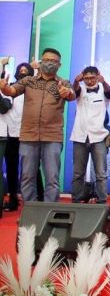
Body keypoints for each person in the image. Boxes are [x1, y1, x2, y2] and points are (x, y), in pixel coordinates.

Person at [0, 48, 75, 203]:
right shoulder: (28, 81)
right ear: (41, 62)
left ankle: (49, 211)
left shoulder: (63, 82)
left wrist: (67, 93)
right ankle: (30, 210)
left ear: (59, 65)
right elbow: (12, 91)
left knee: (52, 178)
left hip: (52, 137)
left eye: (53, 61)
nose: (49, 63)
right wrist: (4, 87)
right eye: (46, 60)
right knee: (27, 177)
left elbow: (71, 95)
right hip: (29, 135)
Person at [70, 66, 110, 204]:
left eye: (92, 78)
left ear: (97, 77)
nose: (89, 81)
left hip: (99, 137)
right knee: (78, 173)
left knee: (101, 173)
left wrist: (104, 82)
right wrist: (76, 81)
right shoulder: (80, 89)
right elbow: (73, 92)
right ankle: (76, 200)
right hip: (80, 136)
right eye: (86, 78)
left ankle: (102, 201)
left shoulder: (103, 89)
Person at [0, 62, 33, 211]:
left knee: (32, 169)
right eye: (20, 70)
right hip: (11, 133)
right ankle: (13, 199)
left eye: (26, 70)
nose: (23, 72)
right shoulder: (10, 88)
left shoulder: (35, 90)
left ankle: (37, 200)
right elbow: (4, 107)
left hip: (29, 133)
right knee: (12, 168)